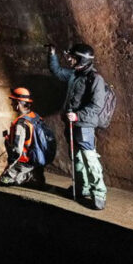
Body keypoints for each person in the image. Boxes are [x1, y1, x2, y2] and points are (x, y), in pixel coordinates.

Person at [47, 43, 107, 210]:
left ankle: (99, 193)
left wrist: (78, 115)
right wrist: (52, 54)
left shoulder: (95, 79)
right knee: (78, 157)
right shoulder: (75, 74)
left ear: (81, 59)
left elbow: (97, 106)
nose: (70, 60)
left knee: (89, 158)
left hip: (84, 125)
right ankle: (82, 188)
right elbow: (57, 72)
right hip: (72, 124)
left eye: (73, 57)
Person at [0, 87, 46, 188]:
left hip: (25, 161)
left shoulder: (20, 124)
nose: (11, 104)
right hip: (38, 159)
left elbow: (17, 151)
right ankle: (35, 175)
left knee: (4, 180)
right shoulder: (36, 117)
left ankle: (26, 176)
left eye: (13, 101)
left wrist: (9, 167)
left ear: (18, 104)